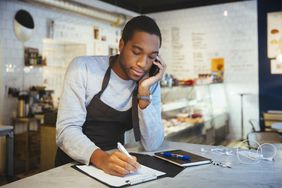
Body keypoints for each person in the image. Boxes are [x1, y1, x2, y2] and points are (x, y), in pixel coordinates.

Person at [55, 15, 166, 177]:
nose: (143, 63)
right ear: (121, 45)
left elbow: (152, 144)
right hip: (72, 166)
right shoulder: (83, 68)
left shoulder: (149, 83)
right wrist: (102, 159)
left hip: (114, 167)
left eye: (151, 57)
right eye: (136, 52)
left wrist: (143, 93)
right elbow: (66, 130)